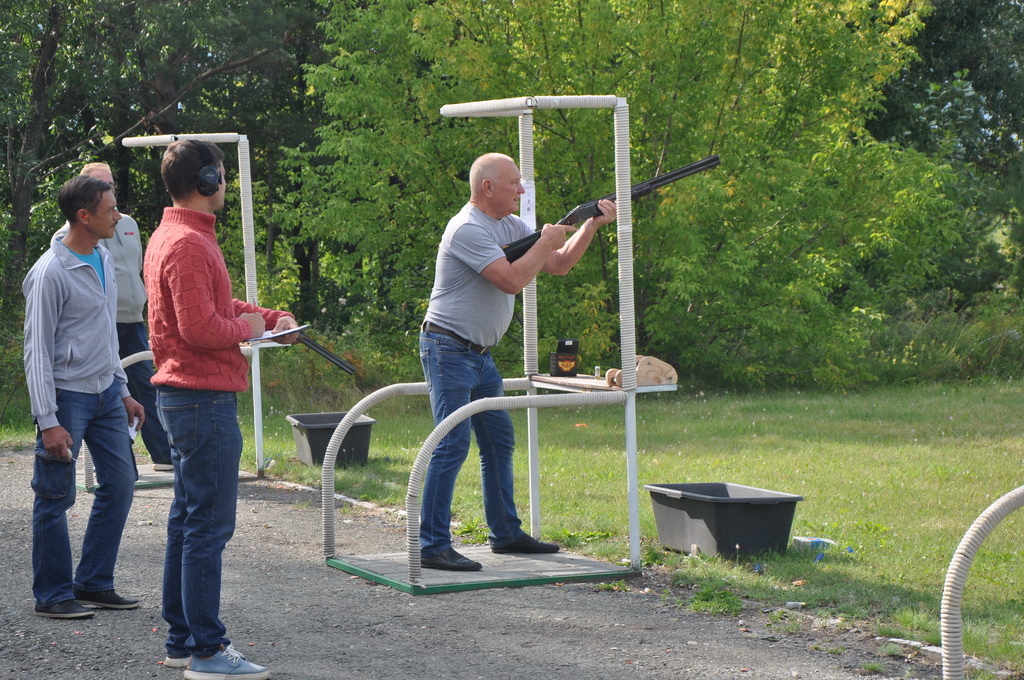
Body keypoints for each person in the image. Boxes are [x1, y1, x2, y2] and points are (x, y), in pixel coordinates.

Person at [144, 140, 299, 679]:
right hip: (201, 399)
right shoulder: (187, 242)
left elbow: (214, 305)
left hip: (189, 397)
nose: (226, 184)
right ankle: (207, 652)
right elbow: (201, 328)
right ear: (207, 179)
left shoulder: (180, 235)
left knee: (188, 522)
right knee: (207, 527)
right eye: (222, 176)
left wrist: (268, 318)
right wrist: (251, 331)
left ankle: (183, 640)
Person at [419, 153, 616, 571]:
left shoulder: (509, 225)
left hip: (479, 355)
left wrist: (590, 225)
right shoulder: (468, 228)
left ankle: (505, 534)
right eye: (514, 183)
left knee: (498, 443)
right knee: (452, 445)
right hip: (448, 349)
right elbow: (511, 280)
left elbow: (558, 264)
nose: (522, 191)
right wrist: (544, 239)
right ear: (487, 187)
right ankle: (432, 545)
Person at [23, 175, 146, 618]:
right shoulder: (50, 272)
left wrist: (124, 390)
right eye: (111, 209)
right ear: (84, 215)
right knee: (55, 496)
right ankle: (53, 596)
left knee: (121, 484)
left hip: (106, 393)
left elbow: (104, 335)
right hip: (66, 398)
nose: (118, 215)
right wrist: (48, 419)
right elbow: (36, 351)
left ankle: (93, 581)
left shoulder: (102, 257)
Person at [52, 163, 174, 471]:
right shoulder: (73, 232)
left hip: (132, 319)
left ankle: (163, 456)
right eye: (100, 184)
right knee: (107, 393)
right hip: (97, 324)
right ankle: (121, 463)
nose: (110, 191)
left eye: (111, 184)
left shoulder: (128, 222)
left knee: (146, 385)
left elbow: (137, 268)